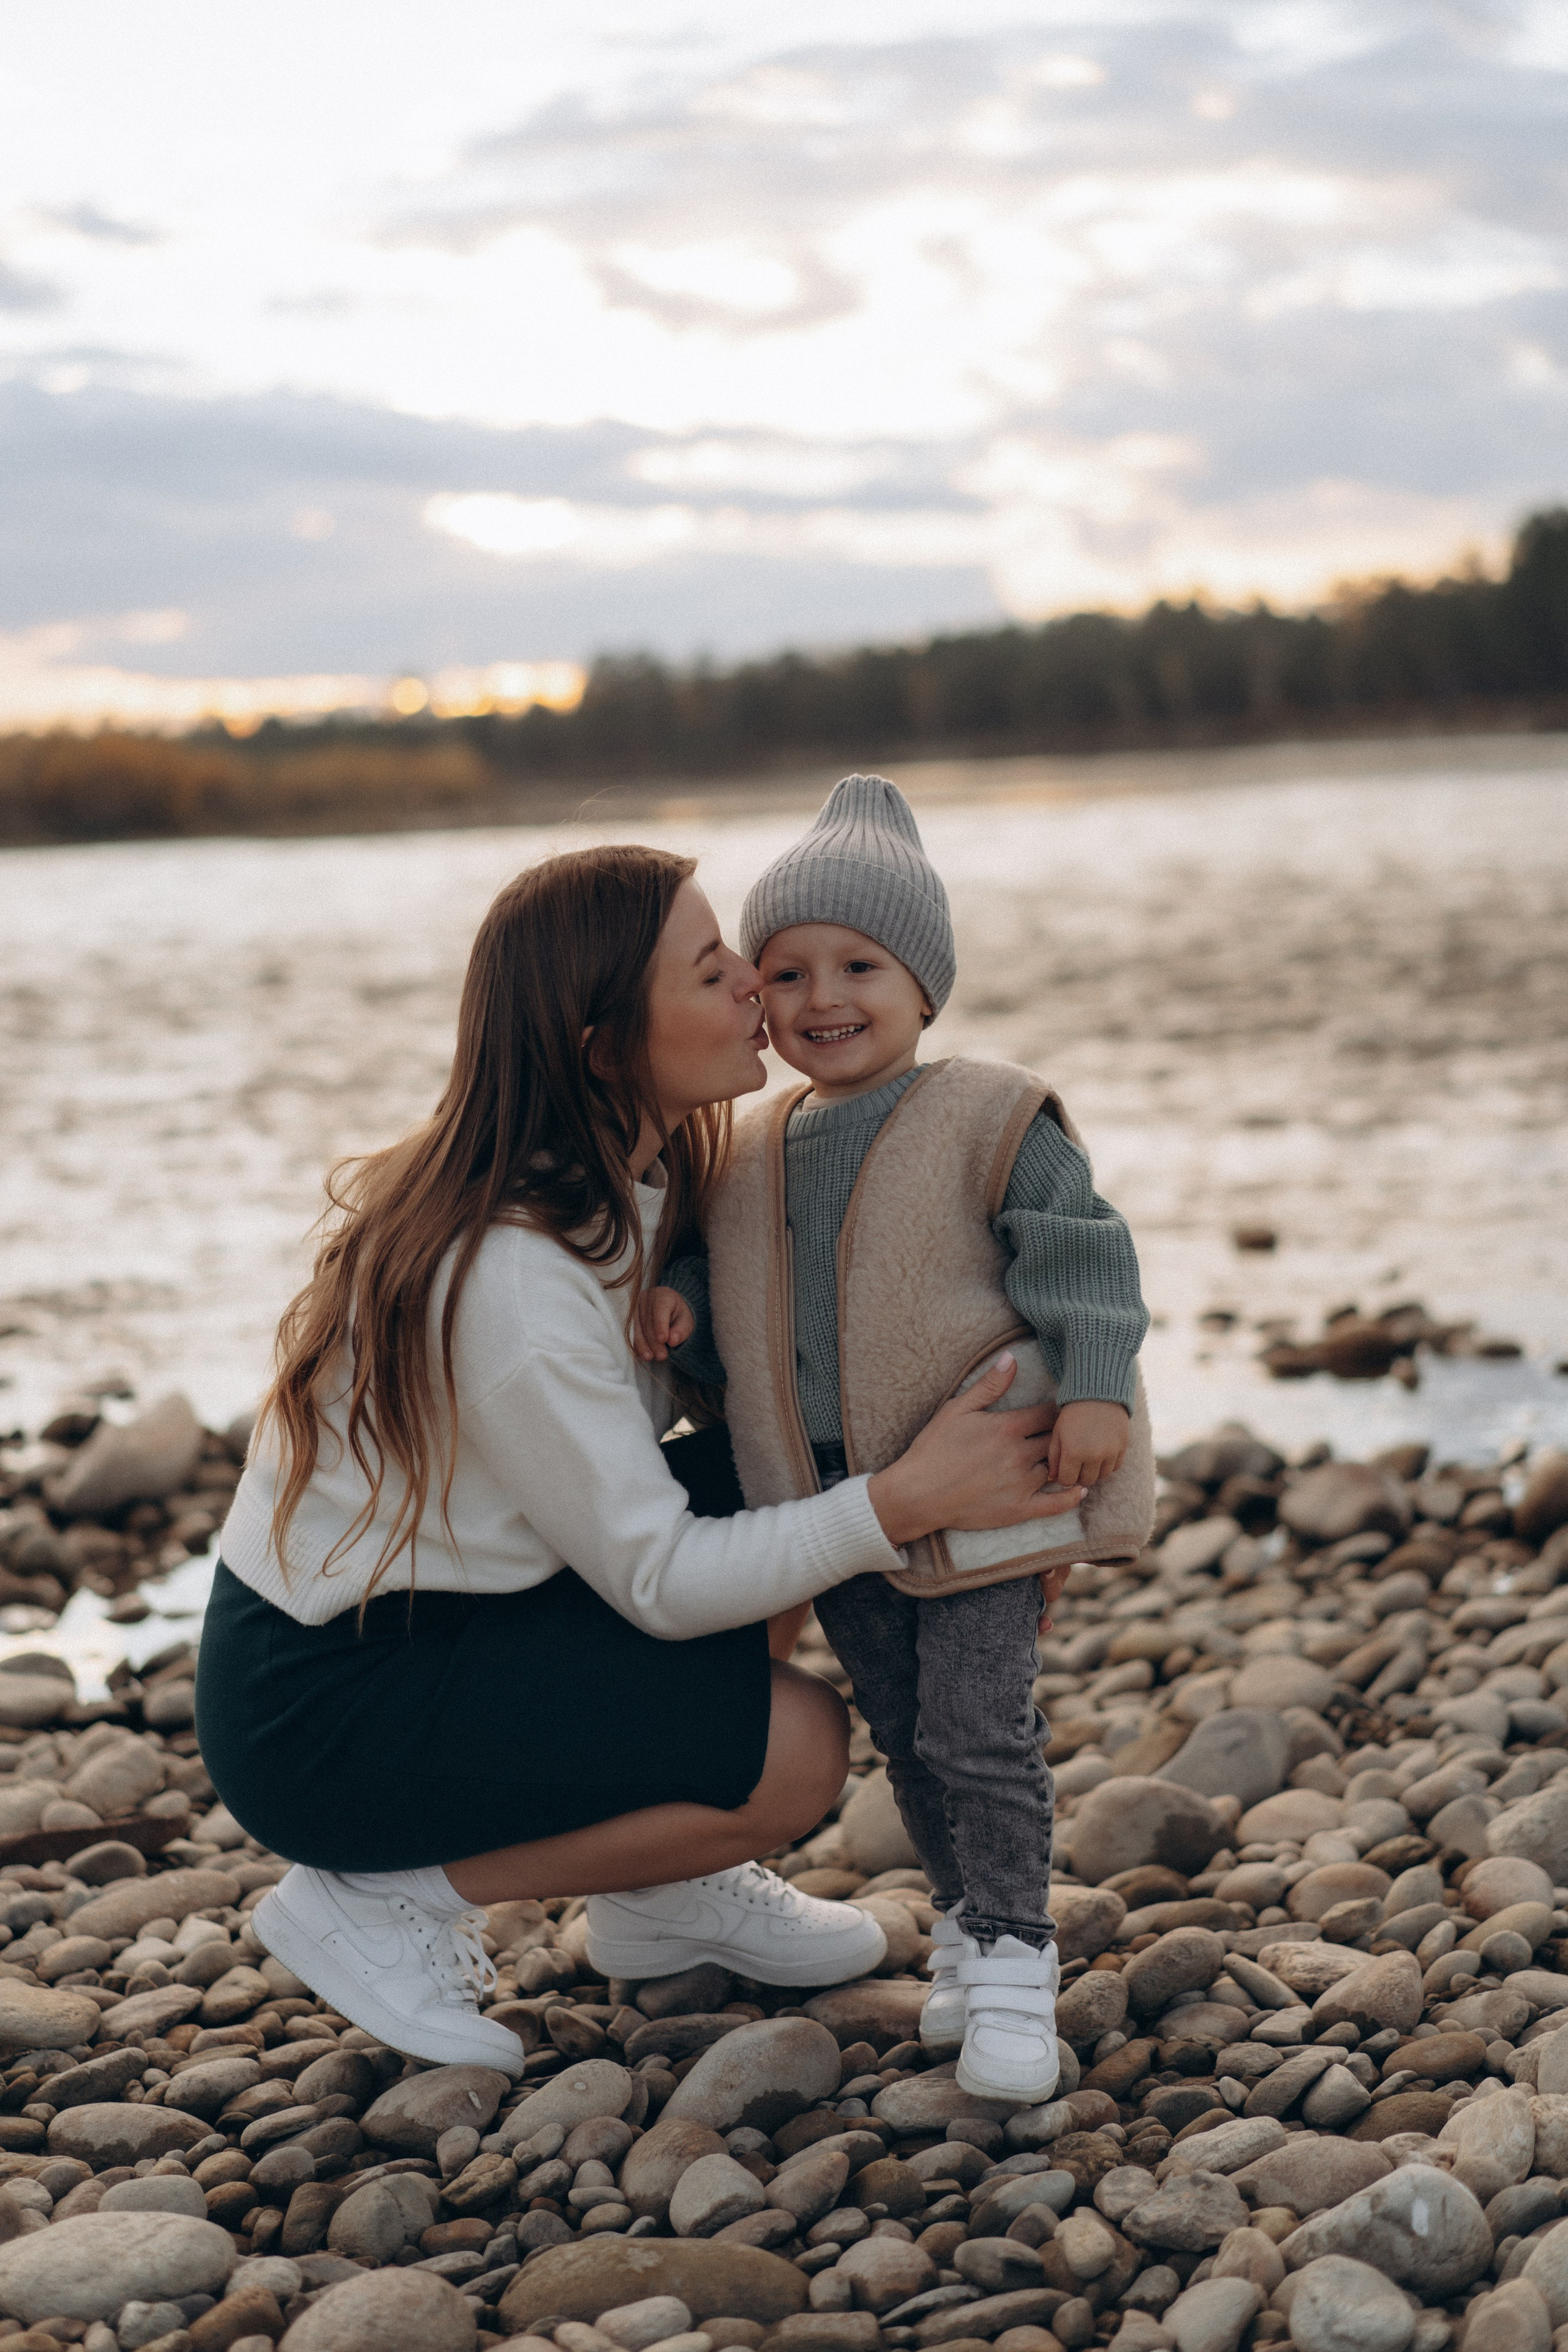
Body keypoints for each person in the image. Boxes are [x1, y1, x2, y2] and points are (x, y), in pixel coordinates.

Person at [195, 842, 1087, 2075]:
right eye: (710, 969)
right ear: (602, 1047)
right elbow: (660, 1580)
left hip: (468, 1611)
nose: (755, 989)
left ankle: (660, 1891)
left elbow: (820, 1390)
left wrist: (990, 1533)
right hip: (325, 1704)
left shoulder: (659, 1175)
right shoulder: (508, 1273)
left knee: (774, 1462)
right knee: (794, 1753)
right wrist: (905, 1503)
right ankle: (387, 1898)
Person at [635, 778, 1155, 2103]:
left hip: (978, 1494)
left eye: (859, 965)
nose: (823, 997)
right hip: (835, 1506)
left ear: (923, 986)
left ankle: (1019, 1963)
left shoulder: (987, 1117)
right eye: (788, 969)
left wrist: (1094, 1382)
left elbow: (1081, 1256)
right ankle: (965, 1924)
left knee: (981, 1727)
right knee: (906, 1733)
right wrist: (680, 1311)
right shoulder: (748, 1148)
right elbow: (743, 1316)